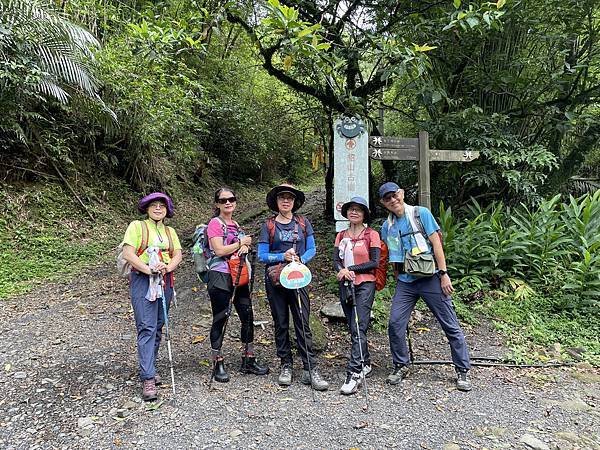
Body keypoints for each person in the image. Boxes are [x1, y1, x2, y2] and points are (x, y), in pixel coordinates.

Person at [378, 182, 472, 391]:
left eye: (395, 195)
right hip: (405, 281)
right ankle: (401, 365)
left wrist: (444, 274)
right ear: (383, 203)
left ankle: (462, 370)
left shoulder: (421, 214)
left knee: (449, 324)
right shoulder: (388, 226)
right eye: (387, 199)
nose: (393, 200)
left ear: (401, 194)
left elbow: (436, 243)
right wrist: (395, 277)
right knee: (395, 323)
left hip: (430, 277)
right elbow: (394, 254)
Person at [258, 183, 329, 391]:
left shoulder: (303, 222)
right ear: (276, 202)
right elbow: (262, 255)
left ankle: (310, 367)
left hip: (298, 278)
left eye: (289, 198)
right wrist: (282, 256)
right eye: (282, 198)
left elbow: (312, 249)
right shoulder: (269, 225)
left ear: (295, 202)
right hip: (277, 280)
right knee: (280, 322)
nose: (286, 201)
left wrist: (300, 259)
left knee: (302, 321)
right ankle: (285, 365)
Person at [121, 192, 183, 401]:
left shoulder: (169, 231)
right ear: (146, 208)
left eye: (162, 206)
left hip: (164, 281)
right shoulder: (137, 227)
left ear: (167, 210)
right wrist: (148, 270)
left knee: (157, 326)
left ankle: (150, 366)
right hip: (142, 280)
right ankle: (147, 377)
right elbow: (128, 253)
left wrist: (167, 268)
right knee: (146, 326)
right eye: (154, 205)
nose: (158, 208)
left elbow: (178, 255)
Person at [207, 187, 268, 382]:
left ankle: (248, 358)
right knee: (221, 317)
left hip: (239, 274)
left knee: (247, 314)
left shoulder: (236, 224)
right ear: (217, 204)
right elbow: (218, 250)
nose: (228, 203)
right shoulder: (215, 224)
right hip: (219, 275)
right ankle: (218, 361)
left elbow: (242, 246)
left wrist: (244, 245)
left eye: (231, 199)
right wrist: (241, 242)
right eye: (223, 200)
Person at [333, 196, 381, 395]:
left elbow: (374, 262)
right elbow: (336, 260)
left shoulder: (372, 234)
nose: (354, 212)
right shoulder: (341, 235)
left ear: (364, 214)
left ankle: (354, 372)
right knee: (353, 325)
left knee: (358, 325)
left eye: (358, 210)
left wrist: (350, 268)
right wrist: (341, 270)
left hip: (365, 285)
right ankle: (365, 362)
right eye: (351, 209)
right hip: (345, 285)